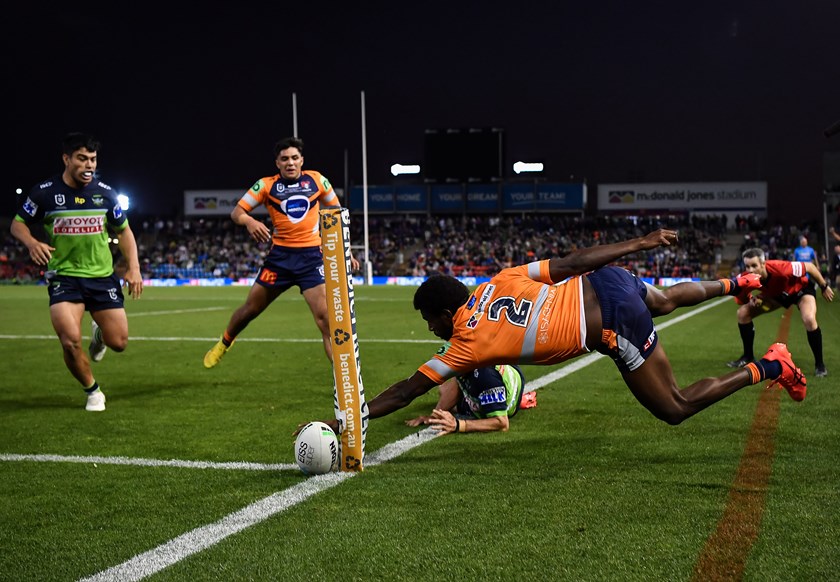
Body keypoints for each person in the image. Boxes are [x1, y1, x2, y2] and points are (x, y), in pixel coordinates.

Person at [299, 229, 807, 438]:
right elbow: (571, 262)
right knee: (667, 297)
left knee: (673, 407)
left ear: (442, 312)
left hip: (609, 325)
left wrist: (353, 414)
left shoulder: (465, 344)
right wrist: (638, 244)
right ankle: (735, 283)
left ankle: (771, 363)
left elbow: (410, 388)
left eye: (428, 319)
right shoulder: (501, 279)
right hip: (605, 282)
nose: (429, 328)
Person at [10, 133, 143, 411]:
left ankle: (99, 336)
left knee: (118, 342)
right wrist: (32, 242)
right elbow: (18, 224)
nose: (89, 165)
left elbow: (125, 231)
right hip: (64, 278)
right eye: (82, 159)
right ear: (66, 159)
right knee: (70, 341)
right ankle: (92, 391)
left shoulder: (105, 193)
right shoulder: (44, 193)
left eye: (93, 159)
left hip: (101, 277)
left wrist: (134, 268)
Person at [204, 137, 357, 368]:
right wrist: (249, 221)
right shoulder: (266, 185)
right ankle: (225, 342)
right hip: (280, 260)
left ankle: (344, 384)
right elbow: (237, 212)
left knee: (326, 320)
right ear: (277, 163)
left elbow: (337, 215)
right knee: (249, 310)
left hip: (311, 259)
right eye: (284, 159)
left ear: (302, 160)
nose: (290, 163)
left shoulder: (317, 180)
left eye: (295, 158)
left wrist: (347, 251)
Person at [726, 247, 833, 377]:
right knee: (743, 313)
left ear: (763, 263)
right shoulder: (745, 276)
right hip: (777, 296)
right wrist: (750, 298)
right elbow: (739, 297)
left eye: (754, 265)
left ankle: (820, 365)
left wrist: (824, 286)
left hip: (800, 290)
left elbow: (809, 266)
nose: (750, 270)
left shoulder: (780, 268)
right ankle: (748, 356)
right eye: (747, 266)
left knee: (809, 319)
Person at [404, 364, 529, 434]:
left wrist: (458, 425)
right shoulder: (464, 363)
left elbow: (502, 423)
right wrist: (433, 417)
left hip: (506, 383)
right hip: (479, 378)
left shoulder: (486, 377)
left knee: (480, 408)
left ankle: (506, 395)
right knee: (443, 390)